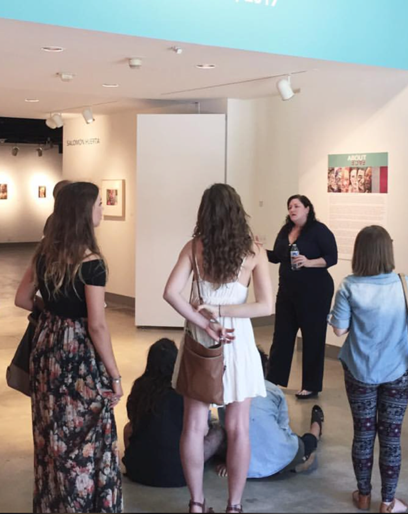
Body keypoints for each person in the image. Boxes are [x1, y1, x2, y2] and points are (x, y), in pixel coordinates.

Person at [163, 183, 274, 514]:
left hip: (201, 341)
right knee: (238, 427)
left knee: (194, 426)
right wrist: (224, 313)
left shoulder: (193, 248)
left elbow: (170, 292)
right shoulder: (253, 252)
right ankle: (234, 506)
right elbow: (266, 306)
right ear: (238, 212)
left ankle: (197, 504)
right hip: (237, 341)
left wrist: (203, 317)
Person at [15, 181, 122, 513]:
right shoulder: (91, 263)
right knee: (85, 435)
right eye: (98, 204)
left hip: (47, 348)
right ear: (84, 213)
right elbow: (97, 324)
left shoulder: (44, 254)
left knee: (51, 429)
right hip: (77, 355)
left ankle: (53, 503)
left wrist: (52, 314)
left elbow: (21, 299)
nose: (102, 210)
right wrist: (115, 375)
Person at [328, 225, 408, 514]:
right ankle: (387, 503)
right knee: (391, 436)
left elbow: (338, 331)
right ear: (388, 251)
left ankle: (363, 496)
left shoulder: (349, 286)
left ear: (359, 253)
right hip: (398, 370)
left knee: (363, 433)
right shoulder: (405, 284)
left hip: (359, 369)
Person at [123, 338, 225, 488]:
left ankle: (136, 460)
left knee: (128, 427)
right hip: (181, 474)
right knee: (217, 431)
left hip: (136, 473)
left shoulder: (140, 386)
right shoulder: (185, 389)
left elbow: (132, 418)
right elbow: (203, 430)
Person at [266, 195, 338, 399]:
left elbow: (331, 257)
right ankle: (274, 380)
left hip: (315, 292)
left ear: (307, 208)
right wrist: (258, 251)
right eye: (290, 206)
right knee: (282, 336)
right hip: (288, 291)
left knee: (313, 337)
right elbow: (278, 257)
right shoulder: (285, 230)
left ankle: (311, 385)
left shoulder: (319, 230)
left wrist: (309, 261)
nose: (292, 209)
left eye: (297, 205)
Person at [216, 348, 324, 479]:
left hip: (240, 465)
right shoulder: (273, 390)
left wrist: (229, 463)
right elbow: (284, 427)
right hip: (281, 456)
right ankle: (316, 427)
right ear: (264, 370)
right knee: (304, 441)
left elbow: (227, 431)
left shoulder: (226, 393)